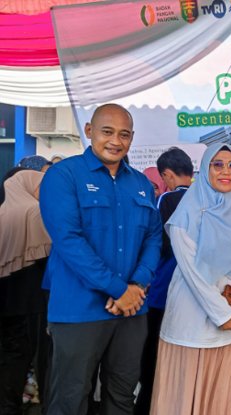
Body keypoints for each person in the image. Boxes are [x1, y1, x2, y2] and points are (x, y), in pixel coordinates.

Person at [39, 103, 162, 415]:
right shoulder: (63, 176)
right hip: (79, 310)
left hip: (131, 311)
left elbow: (153, 237)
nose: (116, 141)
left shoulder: (141, 184)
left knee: (122, 397)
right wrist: (119, 289)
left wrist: (137, 285)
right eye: (107, 131)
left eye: (124, 134)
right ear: (89, 131)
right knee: (70, 399)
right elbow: (69, 240)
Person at [150, 143, 231, 414]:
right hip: (190, 326)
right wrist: (224, 315)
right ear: (205, 169)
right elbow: (192, 272)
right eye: (217, 164)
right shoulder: (187, 213)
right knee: (181, 403)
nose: (226, 171)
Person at [134, 147, 194, 415]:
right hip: (194, 292)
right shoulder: (207, 197)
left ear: (167, 175)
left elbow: (157, 243)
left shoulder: (167, 199)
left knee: (153, 356)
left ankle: (149, 405)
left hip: (164, 288)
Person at [0, 170, 52, 415]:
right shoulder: (35, 212)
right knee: (41, 359)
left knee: (10, 358)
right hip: (33, 301)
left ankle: (8, 406)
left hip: (6, 300)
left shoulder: (3, 212)